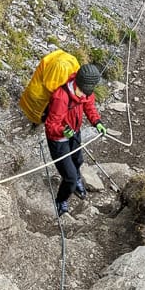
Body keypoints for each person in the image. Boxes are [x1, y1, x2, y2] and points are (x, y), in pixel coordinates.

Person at [44, 63, 107, 216]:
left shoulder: (85, 91)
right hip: (59, 140)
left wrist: (97, 122)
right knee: (70, 178)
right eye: (85, 91)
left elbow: (89, 106)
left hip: (74, 132)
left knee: (78, 160)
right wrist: (63, 131)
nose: (86, 95)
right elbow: (50, 125)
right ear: (79, 84)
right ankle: (61, 199)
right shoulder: (61, 97)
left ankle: (77, 179)